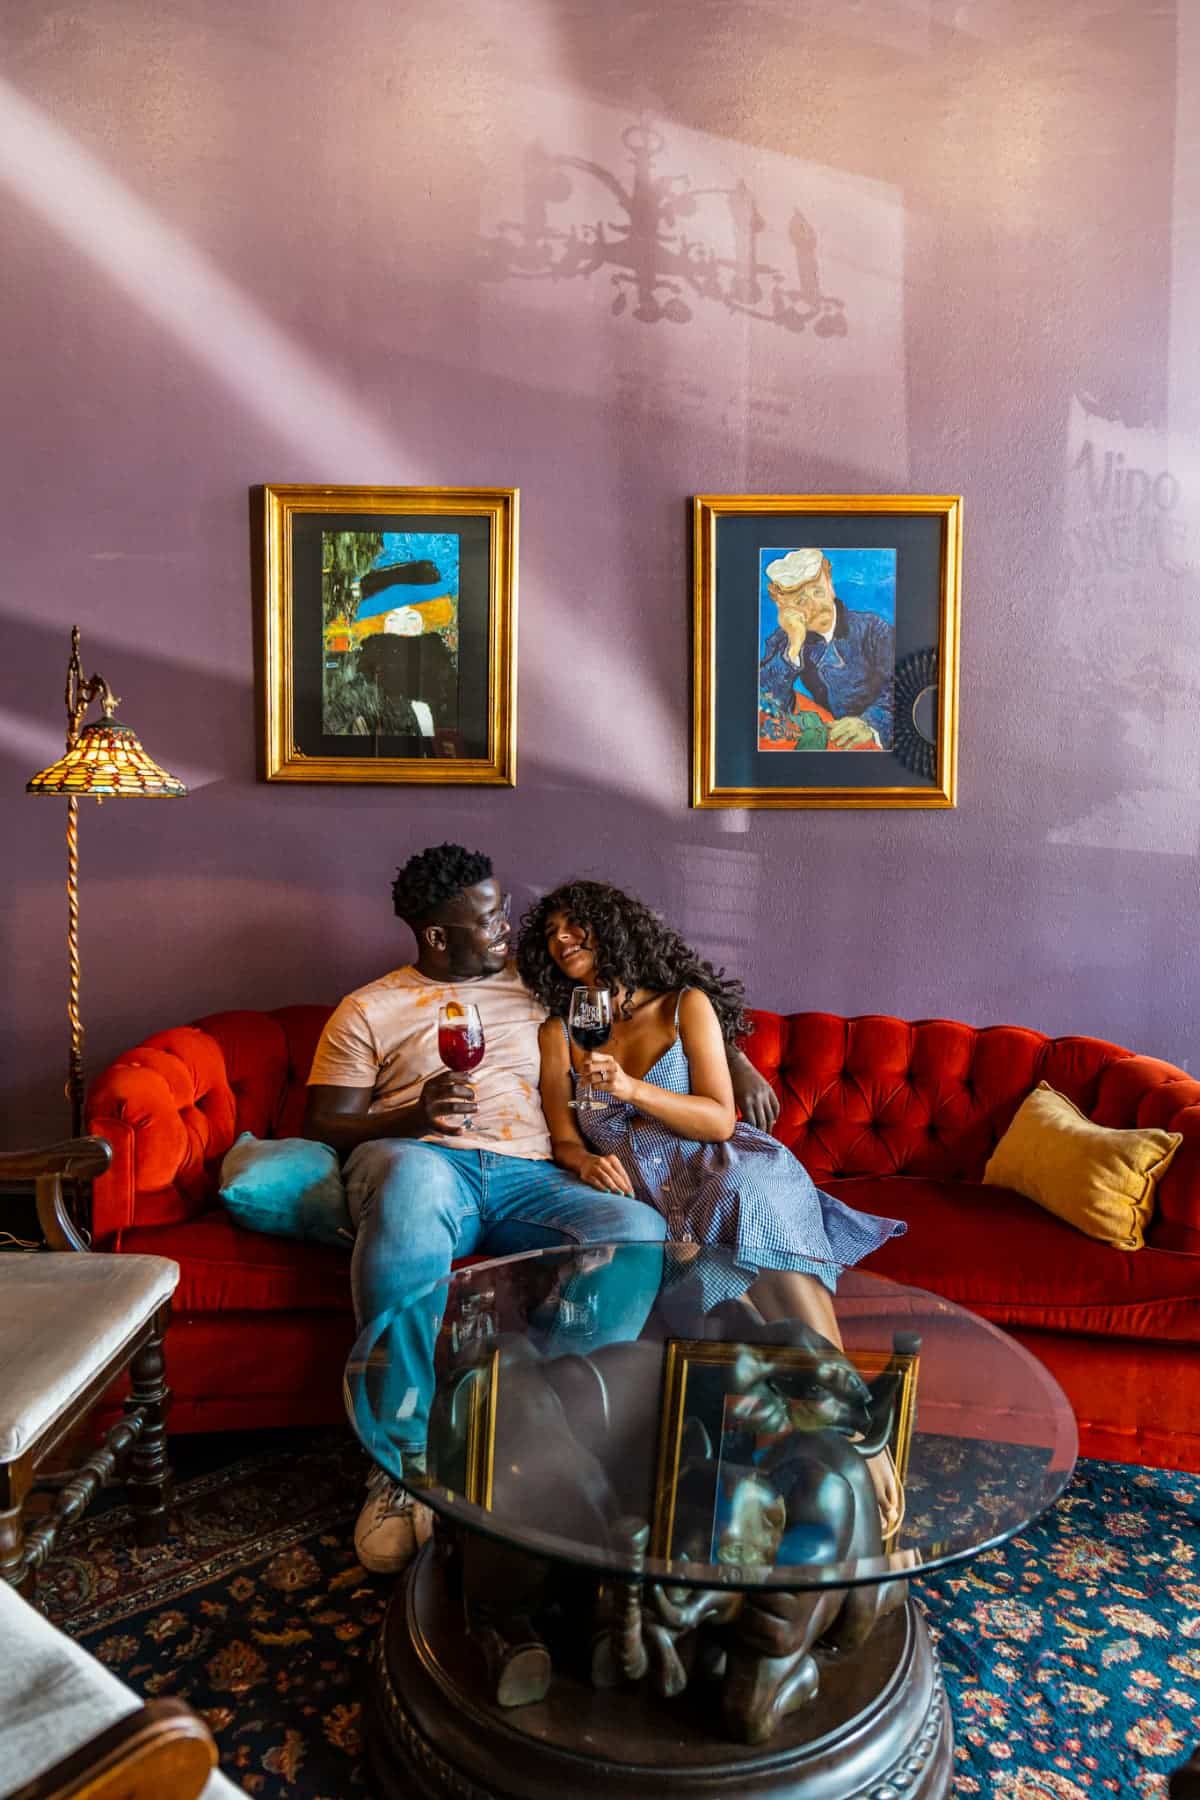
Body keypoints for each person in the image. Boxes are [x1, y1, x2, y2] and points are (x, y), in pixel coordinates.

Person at [303, 844, 779, 1574]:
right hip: (426, 1161)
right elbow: (326, 1123)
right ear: (437, 934)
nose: (506, 926)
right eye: (489, 917)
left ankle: (539, 1418)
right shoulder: (369, 1008)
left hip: (532, 1176)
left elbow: (664, 990)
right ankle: (400, 1460)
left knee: (635, 1226)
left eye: (501, 911)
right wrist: (407, 1119)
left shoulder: (538, 989)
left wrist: (737, 1058)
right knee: (413, 1184)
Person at [515, 879, 908, 1531]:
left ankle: (852, 1426)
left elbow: (720, 1121)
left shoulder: (682, 1007)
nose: (561, 940)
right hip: (653, 1196)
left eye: (573, 924)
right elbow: (563, 1135)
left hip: (723, 1165)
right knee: (730, 1298)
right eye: (550, 934)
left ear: (614, 929)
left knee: (745, 1203)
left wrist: (632, 1088)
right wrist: (584, 1159)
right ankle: (823, 1444)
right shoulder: (561, 1031)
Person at [758, 548, 895, 750]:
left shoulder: (874, 630)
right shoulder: (784, 641)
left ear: (830, 585)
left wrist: (870, 723)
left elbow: (900, 688)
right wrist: (793, 647)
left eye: (818, 592)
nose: (816, 606)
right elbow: (766, 702)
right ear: (783, 606)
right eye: (801, 601)